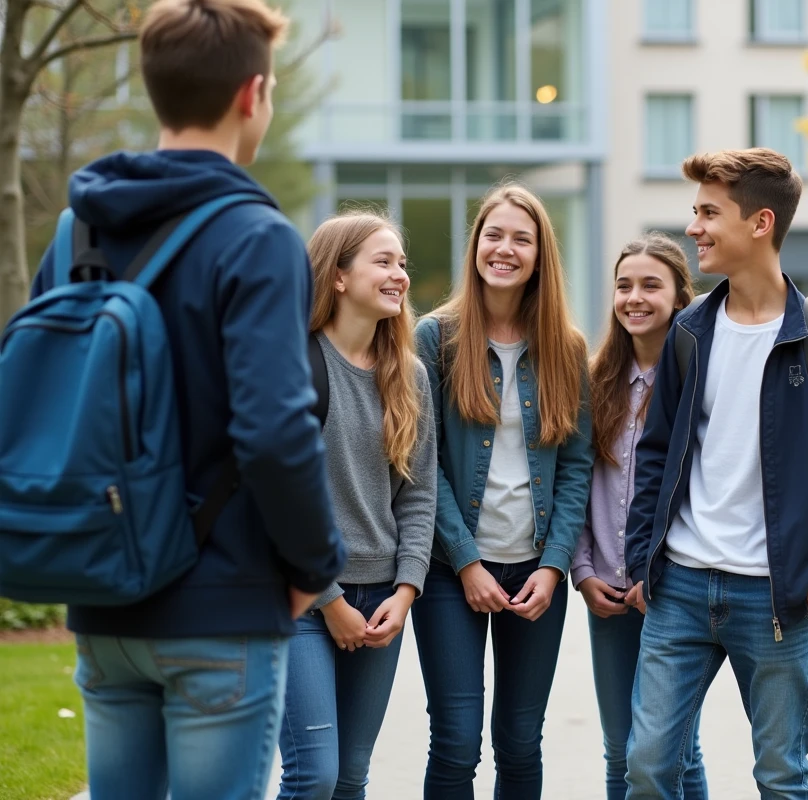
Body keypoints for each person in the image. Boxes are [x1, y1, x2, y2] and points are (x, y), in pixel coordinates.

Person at [27, 1, 347, 798]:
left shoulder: (76, 232)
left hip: (103, 595)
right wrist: (313, 566)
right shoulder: (257, 238)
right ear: (252, 94)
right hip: (222, 606)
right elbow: (274, 431)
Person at [623, 148, 808, 800]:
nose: (693, 227)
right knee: (646, 769)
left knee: (781, 778)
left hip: (777, 598)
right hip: (680, 587)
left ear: (760, 223)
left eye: (709, 213)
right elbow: (656, 451)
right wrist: (643, 558)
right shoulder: (688, 331)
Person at [411, 183, 594, 799]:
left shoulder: (566, 348)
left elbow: (576, 466)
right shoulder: (436, 338)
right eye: (494, 235)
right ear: (476, 246)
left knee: (520, 741)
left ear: (541, 256)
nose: (505, 249)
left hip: (535, 572)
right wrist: (467, 562)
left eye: (522, 238)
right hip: (449, 571)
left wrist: (554, 565)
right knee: (456, 740)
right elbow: (422, 464)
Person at [276, 212, 436, 799]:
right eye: (383, 261)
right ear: (338, 276)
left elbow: (418, 493)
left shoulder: (409, 376)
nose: (399, 275)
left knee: (349, 777)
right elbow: (271, 499)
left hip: (381, 600)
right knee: (313, 774)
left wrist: (406, 590)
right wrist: (330, 600)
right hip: (300, 600)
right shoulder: (292, 364)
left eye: (402, 263)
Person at [571, 234, 706, 800]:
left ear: (679, 297)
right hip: (606, 591)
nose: (634, 297)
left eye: (651, 285)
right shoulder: (593, 380)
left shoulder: (699, 381)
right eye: (624, 285)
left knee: (676, 749)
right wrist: (582, 572)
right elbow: (574, 483)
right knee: (619, 746)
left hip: (672, 592)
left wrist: (659, 573)